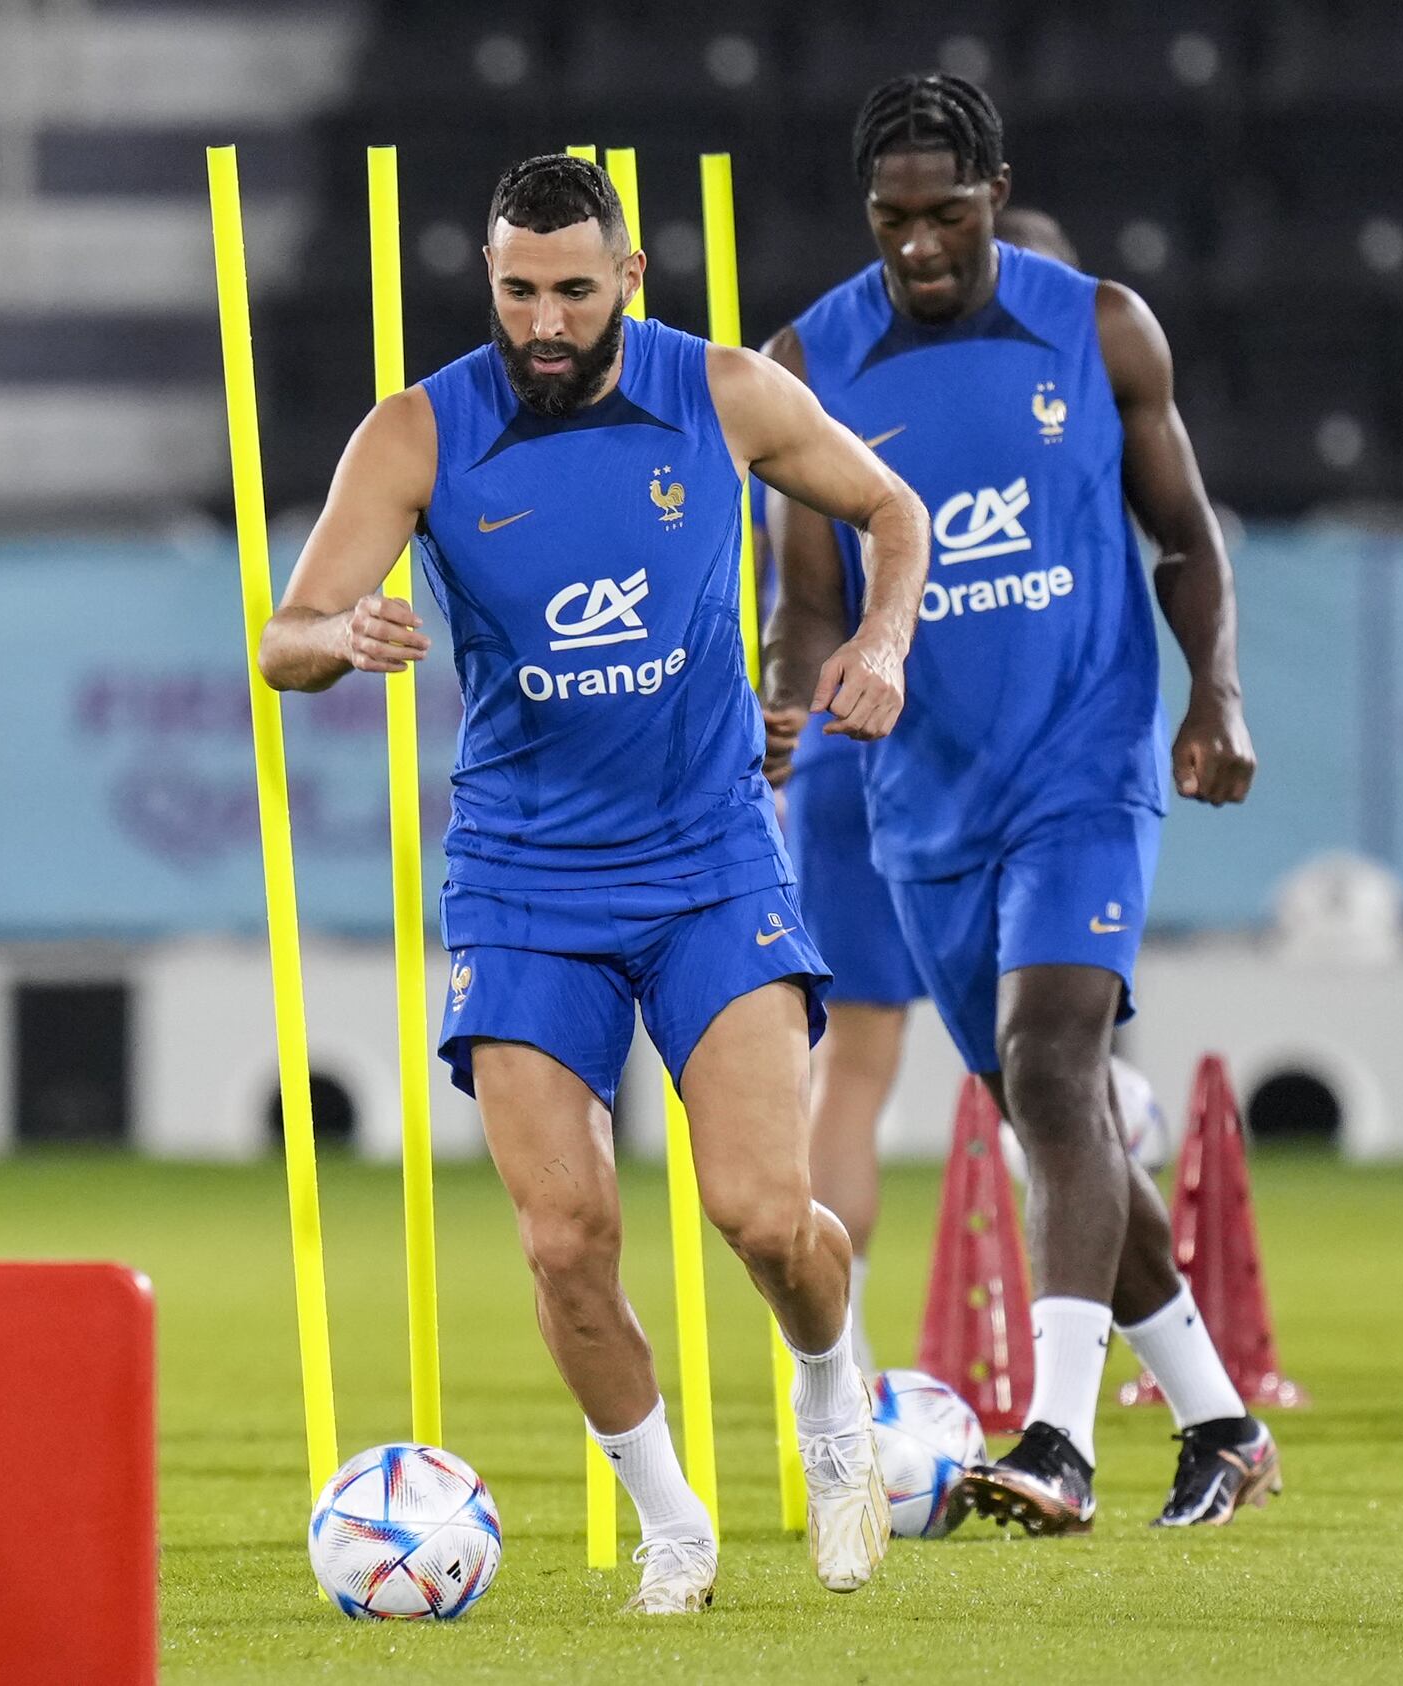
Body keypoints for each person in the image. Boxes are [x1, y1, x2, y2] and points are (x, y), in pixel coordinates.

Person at [260, 154, 929, 1610]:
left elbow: (892, 510)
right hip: (519, 879)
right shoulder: (418, 431)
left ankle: (829, 1393)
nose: (544, 319)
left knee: (763, 1213)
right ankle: (674, 1521)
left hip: (706, 861)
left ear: (629, 276)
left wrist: (877, 647)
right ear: (488, 283)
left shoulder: (728, 392)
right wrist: (342, 636)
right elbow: (285, 629)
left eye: (572, 288)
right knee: (565, 1237)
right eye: (517, 290)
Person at [764, 75, 1280, 1534]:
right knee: (1040, 1110)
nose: (916, 245)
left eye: (943, 214)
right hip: (919, 797)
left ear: (995, 194)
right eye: (889, 219)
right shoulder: (812, 359)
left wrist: (1215, 693)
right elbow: (804, 598)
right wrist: (794, 703)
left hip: (1084, 760)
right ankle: (1220, 1419)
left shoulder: (1098, 324)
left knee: (1050, 1066)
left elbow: (1183, 540)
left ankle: (1054, 1437)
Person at [764, 204, 1086, 1376]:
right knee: (1055, 1063)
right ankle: (1089, 1328)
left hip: (842, 742)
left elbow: (796, 596)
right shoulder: (1040, 428)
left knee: (851, 1068)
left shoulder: (847, 397)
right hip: (959, 756)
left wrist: (787, 710)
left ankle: (830, 1365)